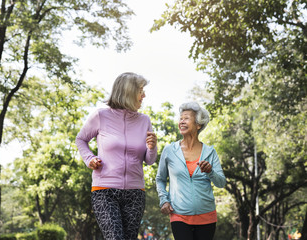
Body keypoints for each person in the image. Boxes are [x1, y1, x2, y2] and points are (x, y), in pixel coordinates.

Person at [75, 72, 158, 240]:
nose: (144, 95)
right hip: (105, 190)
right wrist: (89, 159)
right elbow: (81, 139)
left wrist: (152, 147)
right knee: (115, 237)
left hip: (135, 193)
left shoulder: (144, 120)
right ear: (128, 91)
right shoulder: (101, 116)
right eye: (140, 90)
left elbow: (149, 160)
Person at [156, 101, 226, 240]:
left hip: (207, 216)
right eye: (180, 118)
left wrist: (210, 171)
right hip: (179, 215)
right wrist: (164, 200)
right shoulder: (170, 151)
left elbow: (221, 183)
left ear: (198, 124)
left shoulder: (210, 152)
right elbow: (160, 179)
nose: (182, 121)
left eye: (186, 118)